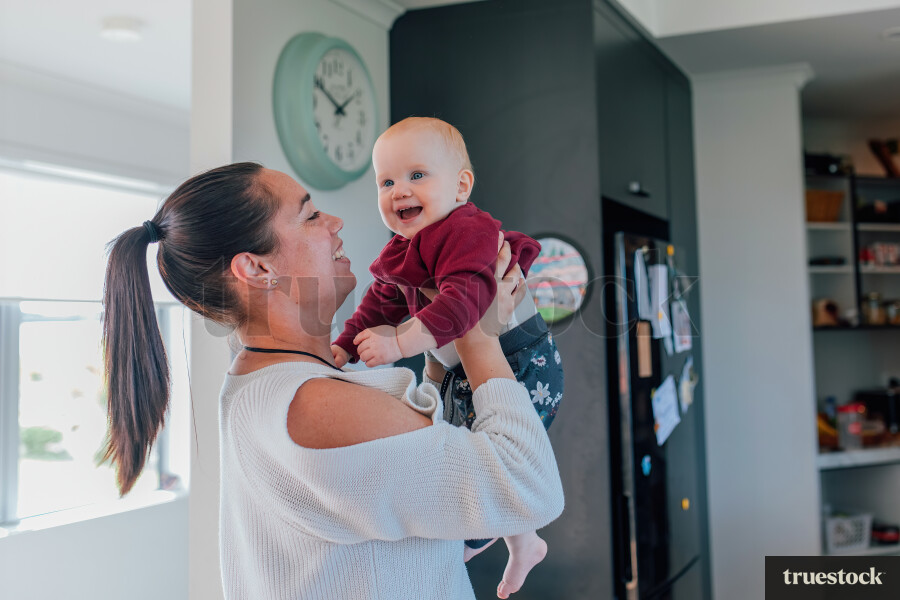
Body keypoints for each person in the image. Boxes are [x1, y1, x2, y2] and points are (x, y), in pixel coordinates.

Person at [101, 162, 564, 600]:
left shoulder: (265, 387)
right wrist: (477, 332)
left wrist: (441, 350)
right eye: (310, 215)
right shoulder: (314, 407)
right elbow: (530, 489)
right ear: (257, 269)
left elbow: (440, 525)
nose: (336, 222)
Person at [331, 117, 564, 597]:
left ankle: (482, 538)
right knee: (472, 449)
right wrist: (346, 342)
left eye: (417, 176)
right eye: (387, 181)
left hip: (525, 366)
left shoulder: (467, 230)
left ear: (461, 186)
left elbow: (464, 305)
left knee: (495, 461)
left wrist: (396, 346)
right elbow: (381, 301)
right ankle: (523, 542)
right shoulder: (404, 247)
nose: (400, 191)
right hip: (464, 370)